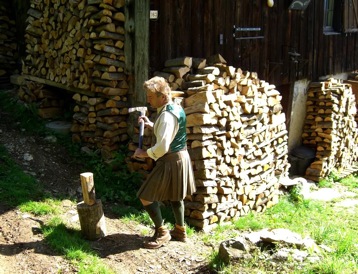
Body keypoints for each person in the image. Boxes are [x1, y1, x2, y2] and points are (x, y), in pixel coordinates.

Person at [133, 76, 196, 249]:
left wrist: (144, 153)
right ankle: (180, 230)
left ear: (162, 96)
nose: (148, 99)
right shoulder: (174, 107)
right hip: (181, 157)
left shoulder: (167, 115)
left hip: (170, 159)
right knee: (176, 196)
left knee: (145, 196)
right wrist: (151, 124)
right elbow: (169, 131)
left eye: (151, 96)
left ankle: (162, 232)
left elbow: (162, 146)